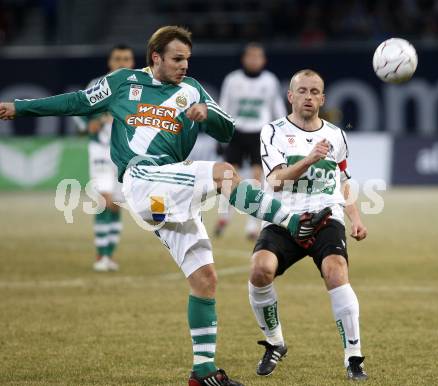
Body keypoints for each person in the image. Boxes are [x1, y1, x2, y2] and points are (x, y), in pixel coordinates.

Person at [0, 28, 331, 386]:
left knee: (205, 279)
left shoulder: (193, 91)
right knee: (223, 174)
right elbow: (76, 102)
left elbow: (229, 130)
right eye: (177, 59)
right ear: (155, 57)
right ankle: (294, 220)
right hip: (142, 178)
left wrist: (208, 114)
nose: (184, 65)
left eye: (187, 59)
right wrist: (19, 108)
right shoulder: (122, 83)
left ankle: (203, 372)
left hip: (168, 194)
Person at [248, 69, 368, 381]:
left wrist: (355, 219)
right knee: (260, 269)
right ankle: (275, 342)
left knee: (336, 270)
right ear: (290, 96)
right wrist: (309, 160)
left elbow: (343, 180)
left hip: (325, 217)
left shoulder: (337, 136)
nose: (309, 97)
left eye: (315, 92)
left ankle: (354, 357)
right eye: (302, 91)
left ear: (323, 99)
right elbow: (274, 179)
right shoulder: (272, 132)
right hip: (285, 217)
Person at [214, 43, 287, 240]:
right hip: (236, 132)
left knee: (256, 177)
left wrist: (281, 133)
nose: (254, 60)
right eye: (250, 56)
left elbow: (277, 108)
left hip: (259, 133)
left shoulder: (270, 81)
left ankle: (253, 224)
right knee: (229, 176)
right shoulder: (232, 79)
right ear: (244, 59)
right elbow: (224, 105)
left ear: (263, 60)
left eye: (258, 57)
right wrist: (221, 134)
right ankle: (224, 217)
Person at [73, 44, 135, 272]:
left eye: (126, 59)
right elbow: (78, 110)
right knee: (104, 200)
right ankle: (101, 255)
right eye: (117, 58)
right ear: (110, 62)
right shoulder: (97, 85)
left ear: (132, 63)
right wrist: (88, 124)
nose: (121, 63)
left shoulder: (137, 86)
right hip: (100, 151)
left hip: (124, 154)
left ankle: (110, 254)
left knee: (117, 204)